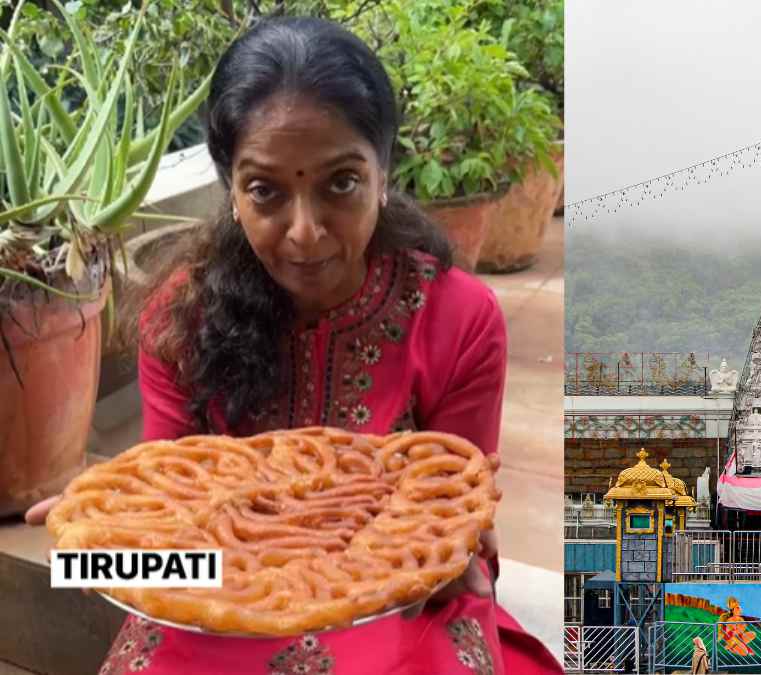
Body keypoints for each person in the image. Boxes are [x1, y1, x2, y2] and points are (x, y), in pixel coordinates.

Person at [24, 16, 561, 675]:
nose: (304, 232)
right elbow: (178, 562)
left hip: (397, 611)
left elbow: (451, 544)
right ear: (232, 192)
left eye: (340, 183)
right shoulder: (179, 318)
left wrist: (462, 559)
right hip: (219, 604)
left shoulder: (459, 318)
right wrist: (99, 550)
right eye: (266, 191)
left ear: (383, 173)